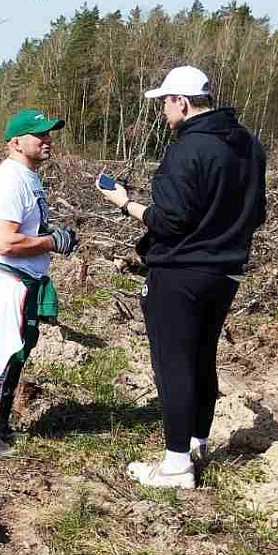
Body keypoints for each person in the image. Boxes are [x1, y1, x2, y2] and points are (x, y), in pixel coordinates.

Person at [94, 65, 266, 489]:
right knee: (202, 358)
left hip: (179, 271)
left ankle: (175, 467)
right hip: (225, 272)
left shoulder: (187, 150)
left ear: (182, 102)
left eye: (165, 103)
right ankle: (195, 443)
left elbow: (167, 222)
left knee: (173, 365)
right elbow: (256, 212)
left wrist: (124, 203)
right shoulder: (249, 145)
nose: (164, 112)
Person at [0, 109, 76, 457]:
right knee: (2, 355)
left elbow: (25, 231)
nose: (47, 140)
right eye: (39, 135)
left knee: (15, 355)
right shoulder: (9, 180)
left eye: (49, 134)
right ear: (15, 142)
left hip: (26, 282)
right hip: (9, 284)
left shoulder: (29, 178)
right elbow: (5, 242)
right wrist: (51, 242)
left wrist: (50, 236)